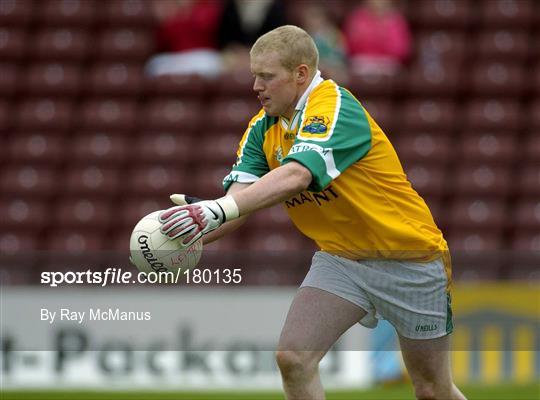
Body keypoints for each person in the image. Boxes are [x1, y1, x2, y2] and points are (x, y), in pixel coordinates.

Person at [157, 25, 466, 400]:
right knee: (293, 358)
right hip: (341, 260)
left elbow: (298, 175)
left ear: (300, 74)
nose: (256, 85)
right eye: (254, 75)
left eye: (267, 76)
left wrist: (216, 209)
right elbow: (239, 203)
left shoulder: (334, 106)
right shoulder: (261, 129)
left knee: (432, 390)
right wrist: (189, 229)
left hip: (409, 258)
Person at [343, 0, 411, 76]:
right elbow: (349, 46)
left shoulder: (396, 20)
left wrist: (383, 34)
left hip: (388, 64)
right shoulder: (356, 18)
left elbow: (401, 50)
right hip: (362, 62)